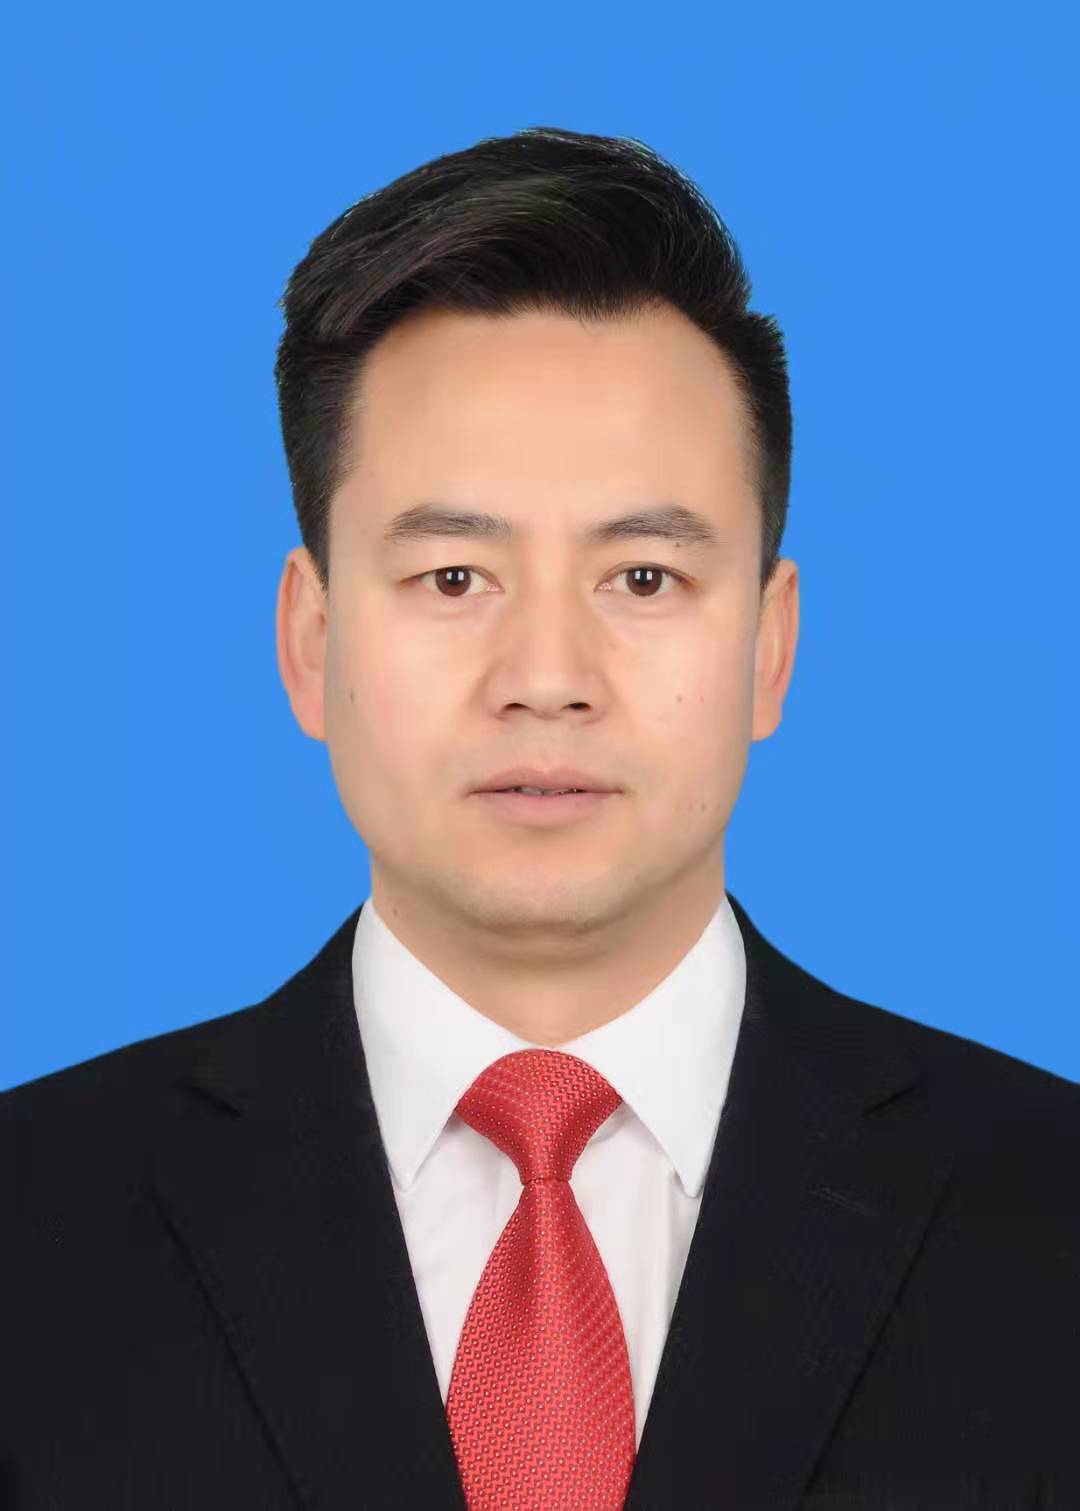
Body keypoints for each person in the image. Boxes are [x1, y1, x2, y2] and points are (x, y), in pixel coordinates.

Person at [3, 125, 1078, 1511]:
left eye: (643, 578)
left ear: (770, 648)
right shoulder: (34, 1226)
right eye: (454, 579)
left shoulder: (1048, 1215)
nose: (548, 678)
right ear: (309, 640)